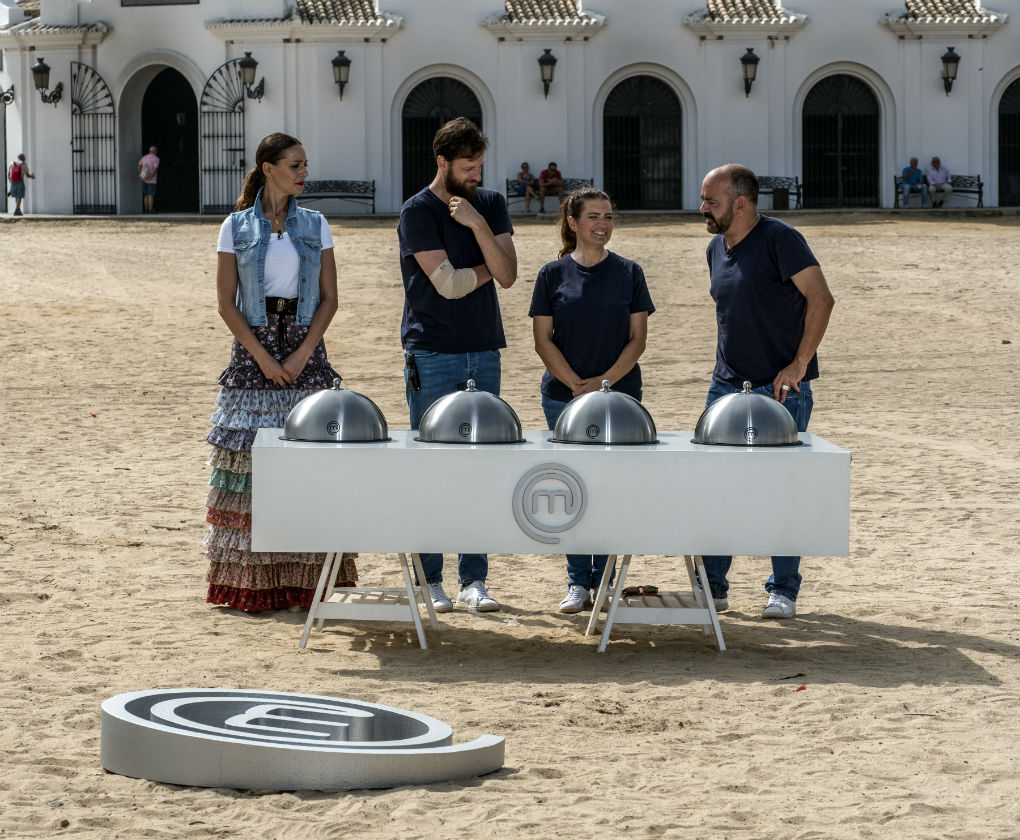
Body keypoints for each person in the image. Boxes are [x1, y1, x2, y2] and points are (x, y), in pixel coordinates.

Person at [204, 132, 357, 611]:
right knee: (249, 470)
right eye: (295, 165)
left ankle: (308, 586)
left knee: (309, 468)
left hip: (306, 351)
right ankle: (254, 586)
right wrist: (266, 360)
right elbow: (226, 304)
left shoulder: (316, 224)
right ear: (268, 168)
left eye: (305, 164)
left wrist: (299, 356)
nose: (303, 173)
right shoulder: (234, 226)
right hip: (253, 353)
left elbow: (330, 298)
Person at [698, 163, 835, 619]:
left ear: (741, 203)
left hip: (781, 390)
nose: (703, 209)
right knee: (717, 489)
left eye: (711, 201)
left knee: (781, 491)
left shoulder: (781, 239)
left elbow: (822, 298)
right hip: (725, 388)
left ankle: (783, 591)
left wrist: (798, 365)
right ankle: (714, 589)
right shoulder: (715, 248)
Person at [398, 117, 518, 613]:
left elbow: (509, 277)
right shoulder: (417, 211)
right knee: (433, 467)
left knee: (480, 468)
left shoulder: (489, 204)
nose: (475, 175)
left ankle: (475, 580)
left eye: (480, 167)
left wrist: (476, 225)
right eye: (467, 168)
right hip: (432, 351)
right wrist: (491, 261)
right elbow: (447, 284)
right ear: (442, 162)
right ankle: (430, 580)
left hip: (483, 349)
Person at [529, 187, 654, 613]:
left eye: (609, 216)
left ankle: (605, 581)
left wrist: (603, 384)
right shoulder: (551, 275)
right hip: (562, 399)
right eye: (594, 216)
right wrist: (576, 386)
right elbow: (542, 341)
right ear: (573, 222)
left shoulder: (630, 272)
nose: (603, 224)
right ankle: (577, 583)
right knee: (572, 492)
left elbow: (637, 341)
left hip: (620, 400)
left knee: (610, 493)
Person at [138, 145, 160, 214]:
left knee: (146, 195)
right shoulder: (156, 159)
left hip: (144, 178)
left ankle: (146, 210)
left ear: (149, 151)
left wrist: (140, 174)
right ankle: (150, 210)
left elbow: (139, 165)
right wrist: (151, 176)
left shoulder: (144, 157)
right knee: (151, 195)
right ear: (155, 151)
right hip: (152, 180)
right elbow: (155, 168)